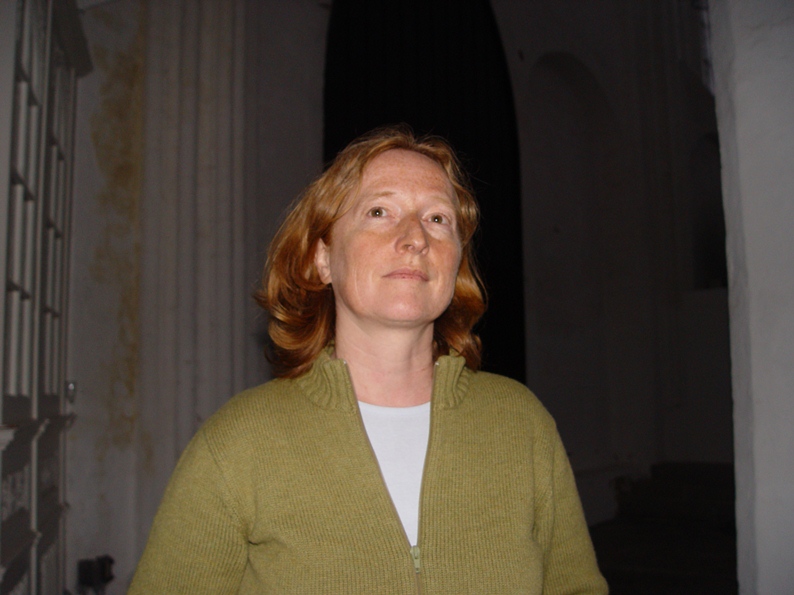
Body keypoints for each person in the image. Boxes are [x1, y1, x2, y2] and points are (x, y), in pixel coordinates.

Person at [128, 126, 608, 594]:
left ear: (456, 261)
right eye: (380, 211)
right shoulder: (239, 443)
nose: (415, 238)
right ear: (322, 258)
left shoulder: (522, 424)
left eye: (438, 219)